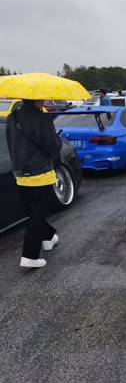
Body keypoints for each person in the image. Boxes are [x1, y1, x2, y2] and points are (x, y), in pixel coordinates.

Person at [5, 99, 63, 268]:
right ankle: (29, 256)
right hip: (40, 173)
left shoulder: (12, 117)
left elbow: (11, 144)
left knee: (33, 211)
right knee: (38, 215)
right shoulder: (43, 119)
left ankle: (48, 237)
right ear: (37, 99)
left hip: (20, 173)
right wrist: (57, 140)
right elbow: (54, 147)